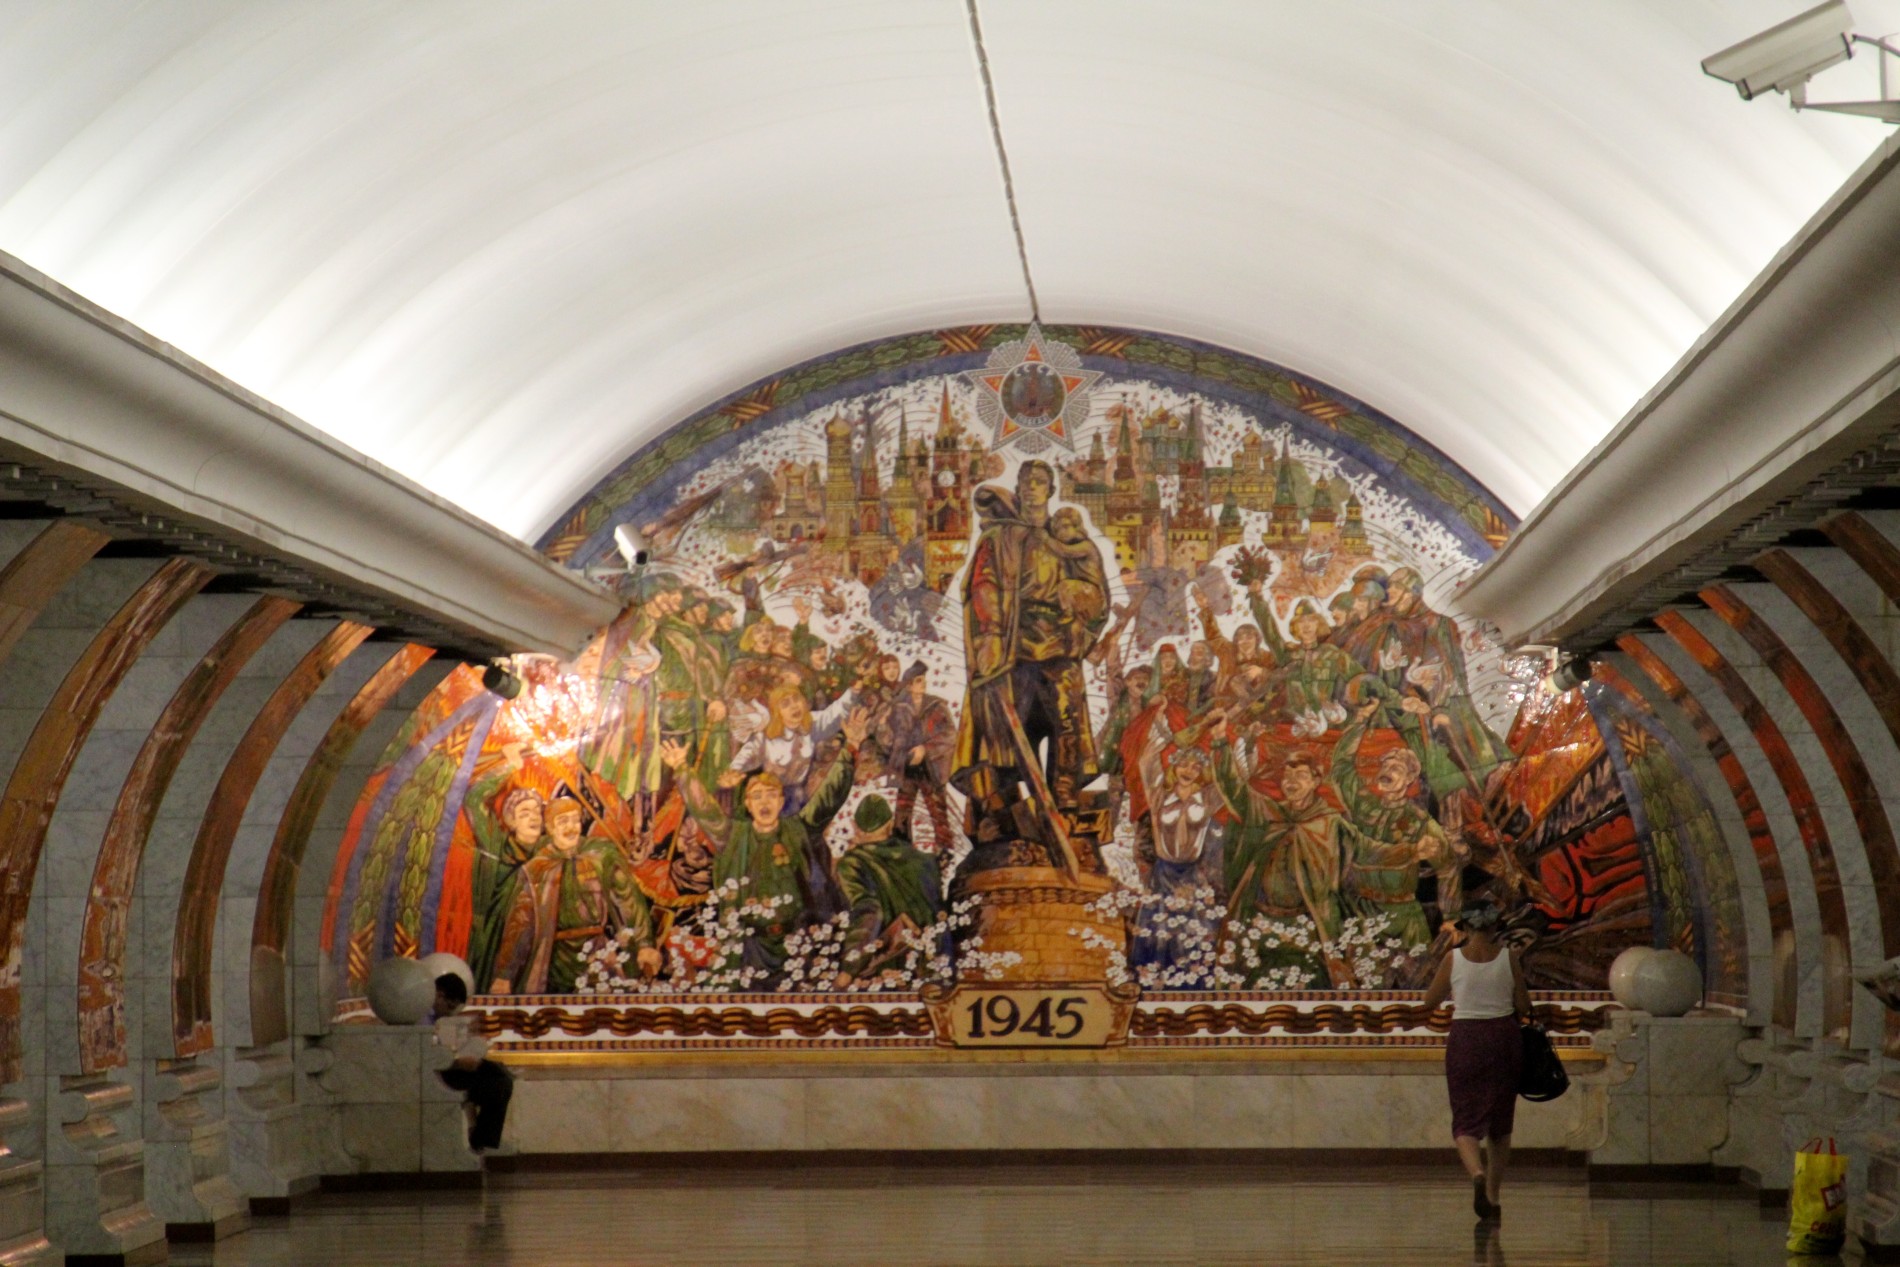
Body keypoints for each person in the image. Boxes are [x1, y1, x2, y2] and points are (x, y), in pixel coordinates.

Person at [1421, 902, 1531, 1221]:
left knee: (1465, 1120)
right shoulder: (1509, 958)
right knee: (1500, 1124)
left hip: (1466, 1039)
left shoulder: (1453, 959)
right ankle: (1494, 1197)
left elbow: (1430, 1001)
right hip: (1504, 1039)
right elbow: (1523, 1005)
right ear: (1495, 927)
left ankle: (1476, 1175)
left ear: (1465, 929)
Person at [432, 974, 512, 1154]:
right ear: (439, 995)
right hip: (444, 1073)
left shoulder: (445, 1019)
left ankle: (481, 1138)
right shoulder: (425, 1019)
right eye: (449, 1006)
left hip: (456, 1065)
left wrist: (472, 1043)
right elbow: (428, 1058)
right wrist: (457, 1063)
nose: (450, 1011)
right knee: (498, 1081)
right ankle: (480, 1139)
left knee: (501, 1075)